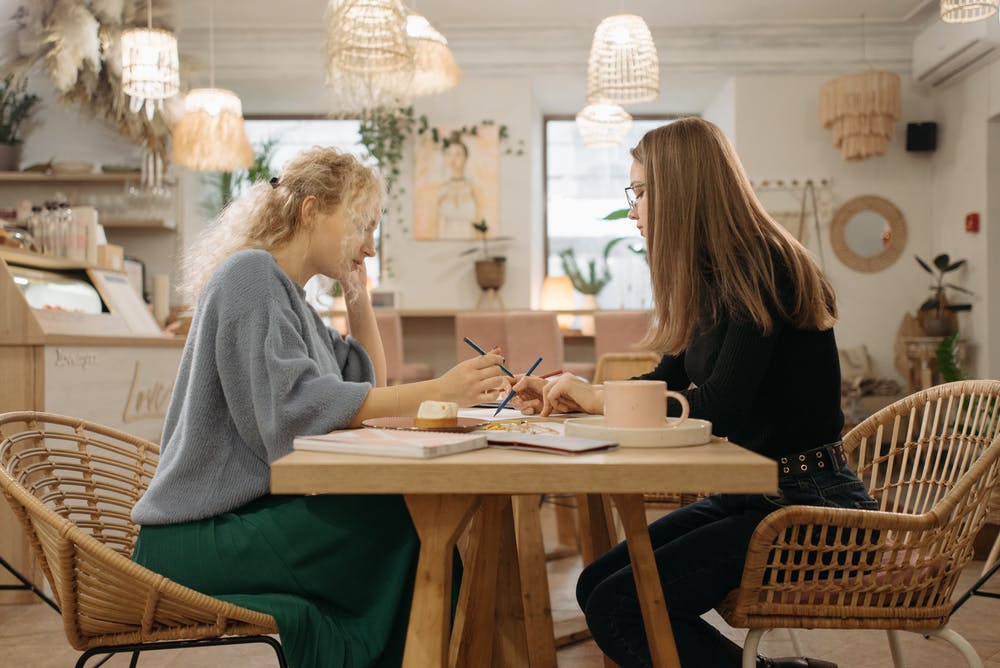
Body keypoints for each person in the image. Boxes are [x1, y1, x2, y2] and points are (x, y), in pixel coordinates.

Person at [511, 118, 876, 668]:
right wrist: (580, 391)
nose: (631, 209)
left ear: (680, 189)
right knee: (595, 586)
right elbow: (669, 381)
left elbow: (717, 407)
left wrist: (596, 399)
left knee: (618, 604)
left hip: (812, 508)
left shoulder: (763, 265)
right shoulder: (716, 276)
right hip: (757, 496)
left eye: (639, 192)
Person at [131, 147, 506, 668]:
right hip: (195, 533)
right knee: (398, 528)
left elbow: (363, 384)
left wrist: (358, 295)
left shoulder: (290, 298)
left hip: (235, 519)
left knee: (398, 523)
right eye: (361, 226)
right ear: (310, 211)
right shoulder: (250, 277)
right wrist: (437, 390)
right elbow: (294, 416)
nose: (370, 247)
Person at [436, 136, 481, 239]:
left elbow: (481, 224)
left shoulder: (474, 188)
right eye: (449, 154)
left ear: (466, 157)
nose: (453, 159)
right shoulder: (439, 190)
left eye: (458, 154)